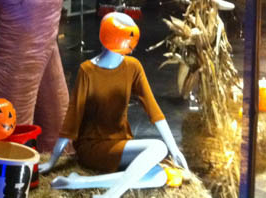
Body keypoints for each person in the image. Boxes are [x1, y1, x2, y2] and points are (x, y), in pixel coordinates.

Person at [39, 12, 188, 198]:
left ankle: (78, 182)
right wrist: (52, 161)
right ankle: (111, 195)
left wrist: (175, 151)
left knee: (158, 176)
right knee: (159, 148)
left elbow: (153, 110)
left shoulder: (133, 67)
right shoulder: (88, 71)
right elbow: (72, 118)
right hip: (92, 146)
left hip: (121, 142)